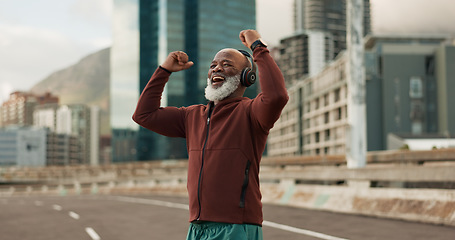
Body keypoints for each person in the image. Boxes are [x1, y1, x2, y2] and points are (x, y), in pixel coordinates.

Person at [132, 29, 288, 240]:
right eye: (213, 65)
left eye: (227, 65)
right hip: (197, 227)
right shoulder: (191, 116)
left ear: (247, 77)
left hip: (236, 227)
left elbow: (277, 95)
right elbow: (144, 115)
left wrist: (258, 47)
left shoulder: (252, 112)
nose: (217, 68)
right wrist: (164, 71)